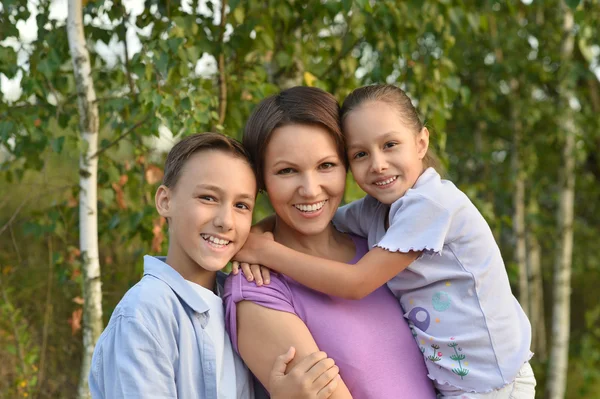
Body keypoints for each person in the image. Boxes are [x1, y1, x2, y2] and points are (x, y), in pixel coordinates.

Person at [234, 85, 536, 398]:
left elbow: (356, 282)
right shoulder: (376, 213)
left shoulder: (431, 205)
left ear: (421, 143)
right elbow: (317, 215)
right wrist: (255, 232)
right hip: (459, 384)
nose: (377, 164)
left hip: (494, 384)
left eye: (390, 144)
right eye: (361, 154)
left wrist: (266, 250)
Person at [88, 132, 342, 399]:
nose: (226, 221)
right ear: (165, 201)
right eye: (208, 198)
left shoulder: (241, 299)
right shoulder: (145, 313)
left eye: (241, 205)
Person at [224, 87, 436, 398]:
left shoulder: (377, 246)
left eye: (326, 165)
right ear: (261, 181)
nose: (310, 190)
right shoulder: (259, 287)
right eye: (287, 171)